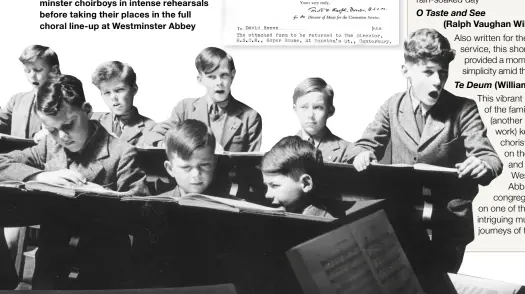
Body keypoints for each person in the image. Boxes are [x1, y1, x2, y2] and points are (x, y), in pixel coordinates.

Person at [349, 28, 503, 272]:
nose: (438, 81)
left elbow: (490, 158)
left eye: (443, 73)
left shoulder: (464, 108)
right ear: (406, 71)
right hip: (401, 220)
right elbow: (364, 144)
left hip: (449, 225)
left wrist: (482, 165)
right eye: (428, 72)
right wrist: (362, 154)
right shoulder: (392, 106)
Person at [0, 74, 148, 289]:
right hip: (51, 268)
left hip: (101, 270)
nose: (62, 136)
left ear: (87, 110)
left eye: (69, 125)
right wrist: (39, 176)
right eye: (51, 130)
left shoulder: (123, 154)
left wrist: (105, 197)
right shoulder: (49, 146)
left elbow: (142, 213)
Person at [142, 47, 262, 152]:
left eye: (224, 75)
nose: (219, 82)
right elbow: (151, 137)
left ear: (233, 75)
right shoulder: (185, 109)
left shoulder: (250, 117)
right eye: (211, 77)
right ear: (200, 80)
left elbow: (251, 165)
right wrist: (174, 146)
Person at [261, 136, 345, 218]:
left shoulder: (322, 224)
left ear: (306, 183)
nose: (267, 195)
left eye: (274, 186)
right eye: (266, 186)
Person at [90, 61, 155, 145]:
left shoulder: (150, 128)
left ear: (134, 89)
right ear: (101, 95)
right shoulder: (92, 120)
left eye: (119, 90)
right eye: (107, 93)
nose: (113, 97)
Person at [292, 77, 353, 163]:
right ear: (295, 109)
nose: (310, 115)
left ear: (330, 111)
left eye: (318, 107)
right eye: (304, 107)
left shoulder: (348, 151)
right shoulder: (282, 149)